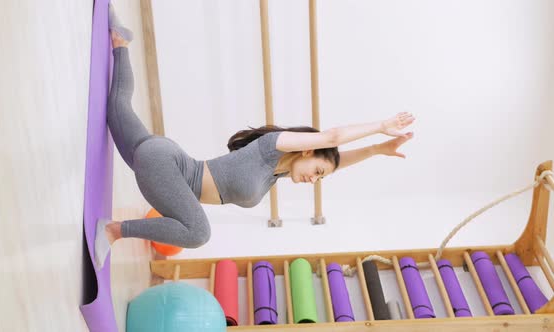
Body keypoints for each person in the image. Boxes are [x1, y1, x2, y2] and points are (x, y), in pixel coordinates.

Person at [94, 5, 415, 269]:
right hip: (166, 164)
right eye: (318, 171)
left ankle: (120, 42)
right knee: (199, 232)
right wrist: (380, 125)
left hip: (165, 161)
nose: (314, 179)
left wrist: (375, 150)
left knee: (118, 107)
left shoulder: (274, 176)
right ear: (308, 151)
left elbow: (336, 159)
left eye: (320, 178)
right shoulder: (269, 149)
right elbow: (332, 137)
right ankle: (113, 231)